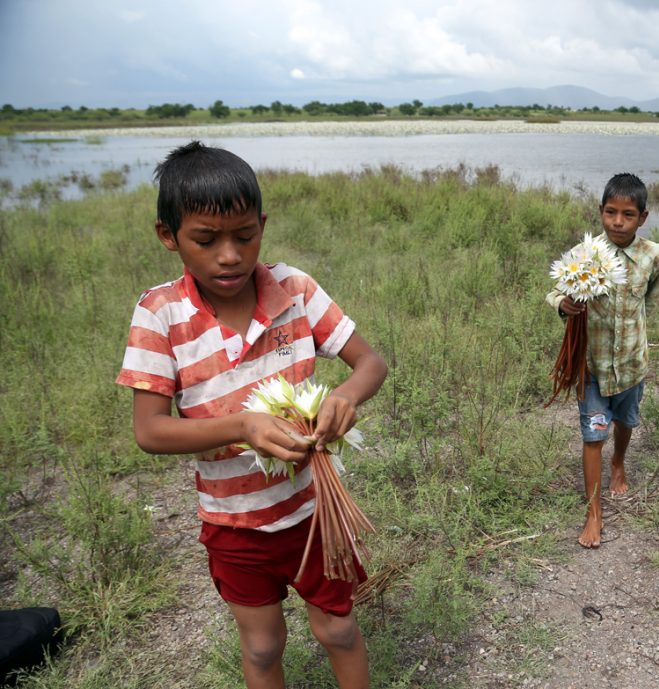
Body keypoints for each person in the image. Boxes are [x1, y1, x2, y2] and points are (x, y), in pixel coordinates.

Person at [116, 141, 387, 689]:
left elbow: (371, 362)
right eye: (206, 239)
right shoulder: (161, 315)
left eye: (245, 235)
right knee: (262, 647)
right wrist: (243, 426)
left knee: (338, 630)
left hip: (315, 511)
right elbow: (150, 430)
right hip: (234, 525)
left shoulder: (296, 290)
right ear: (168, 236)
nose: (230, 255)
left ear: (262, 224)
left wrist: (345, 399)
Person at [546, 172, 659, 548]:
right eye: (611, 212)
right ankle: (594, 513)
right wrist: (562, 304)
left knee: (626, 422)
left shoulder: (652, 255)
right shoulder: (587, 255)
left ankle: (619, 462)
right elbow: (556, 291)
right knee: (593, 435)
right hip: (592, 369)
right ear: (600, 212)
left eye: (628, 214)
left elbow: (648, 297)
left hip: (632, 365)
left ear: (642, 217)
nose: (617, 221)